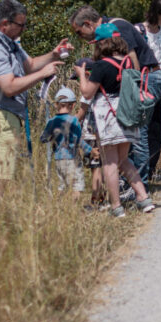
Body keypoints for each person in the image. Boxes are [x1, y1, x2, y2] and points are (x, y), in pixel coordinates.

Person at [0, 0, 71, 198]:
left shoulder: (9, 44)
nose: (24, 28)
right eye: (21, 24)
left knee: (1, 177)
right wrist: (43, 74)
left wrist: (53, 55)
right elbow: (9, 87)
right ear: (4, 24)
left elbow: (30, 64)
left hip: (6, 117)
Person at [69, 5, 161, 183]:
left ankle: (139, 185)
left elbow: (131, 58)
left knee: (137, 135)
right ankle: (136, 182)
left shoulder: (117, 27)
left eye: (79, 32)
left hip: (145, 78)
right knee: (136, 133)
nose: (80, 37)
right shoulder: (109, 30)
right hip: (146, 77)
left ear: (88, 24)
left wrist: (131, 91)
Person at [75, 23, 155, 217]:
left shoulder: (101, 65)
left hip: (109, 117)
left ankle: (116, 206)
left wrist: (81, 76)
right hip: (127, 113)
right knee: (124, 160)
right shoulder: (128, 61)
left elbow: (87, 92)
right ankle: (144, 198)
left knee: (110, 163)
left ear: (102, 43)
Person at [135, 0, 161, 182]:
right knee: (144, 127)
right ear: (157, 14)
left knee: (156, 127)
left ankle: (151, 170)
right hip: (143, 79)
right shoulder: (139, 30)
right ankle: (141, 173)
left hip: (158, 79)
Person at [40, 86, 100, 200]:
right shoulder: (74, 121)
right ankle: (72, 208)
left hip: (58, 160)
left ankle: (59, 206)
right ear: (72, 105)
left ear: (57, 104)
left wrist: (52, 136)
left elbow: (43, 138)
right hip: (72, 158)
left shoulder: (52, 121)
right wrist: (91, 150)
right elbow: (78, 141)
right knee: (76, 186)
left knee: (62, 186)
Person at [73, 58, 106, 209]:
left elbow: (81, 113)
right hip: (103, 133)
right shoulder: (102, 90)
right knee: (102, 165)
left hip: (90, 135)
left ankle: (96, 199)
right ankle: (102, 196)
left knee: (95, 168)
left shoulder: (87, 94)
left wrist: (67, 122)